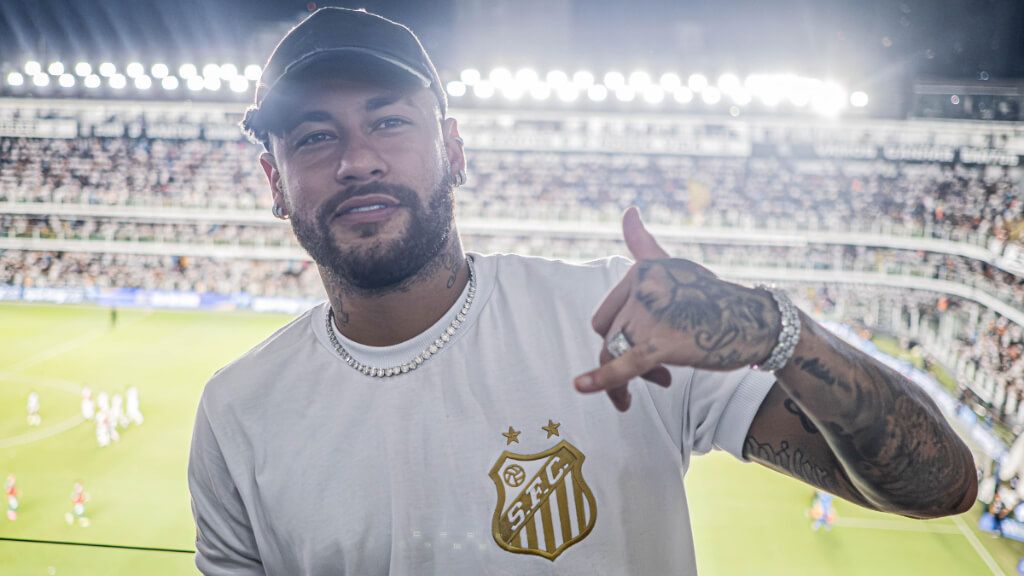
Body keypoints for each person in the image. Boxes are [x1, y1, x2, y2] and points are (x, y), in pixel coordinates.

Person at [188, 8, 978, 575]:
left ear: (453, 149)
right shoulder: (238, 413)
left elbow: (940, 484)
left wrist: (781, 333)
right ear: (273, 180)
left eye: (389, 122)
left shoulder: (618, 322)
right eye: (315, 136)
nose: (356, 160)